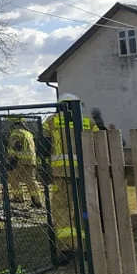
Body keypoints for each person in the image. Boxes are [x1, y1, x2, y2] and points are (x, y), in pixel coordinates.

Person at [41, 93, 97, 261]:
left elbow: (43, 146)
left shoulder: (51, 121)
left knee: (61, 209)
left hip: (61, 173)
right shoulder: (87, 122)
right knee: (83, 209)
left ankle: (67, 248)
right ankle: (85, 247)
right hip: (84, 172)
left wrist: (43, 168)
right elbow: (98, 143)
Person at [6, 119, 42, 208]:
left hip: (19, 159)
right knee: (31, 180)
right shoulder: (28, 134)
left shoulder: (15, 133)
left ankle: (18, 197)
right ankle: (36, 200)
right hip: (31, 160)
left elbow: (15, 146)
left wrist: (10, 159)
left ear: (15, 124)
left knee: (13, 178)